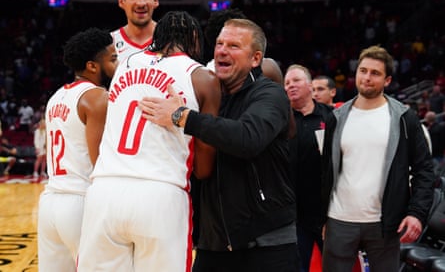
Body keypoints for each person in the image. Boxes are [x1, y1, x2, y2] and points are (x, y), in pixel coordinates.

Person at [140, 18, 299, 271]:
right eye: (219, 44)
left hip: (266, 241)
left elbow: (247, 138)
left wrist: (184, 117)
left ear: (255, 59)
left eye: (234, 46)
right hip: (214, 241)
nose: (222, 51)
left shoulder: (270, 94)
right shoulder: (206, 94)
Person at [77, 11, 221, 272]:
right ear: (194, 38)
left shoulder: (124, 65)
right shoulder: (201, 77)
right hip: (160, 192)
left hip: (104, 191)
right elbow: (203, 169)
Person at [321, 45, 435, 272]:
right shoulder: (337, 117)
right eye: (363, 71)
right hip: (339, 219)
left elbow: (424, 170)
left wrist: (416, 214)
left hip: (385, 223)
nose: (367, 77)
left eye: (375, 73)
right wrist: (321, 216)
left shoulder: (404, 118)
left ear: (387, 80)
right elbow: (326, 170)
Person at [38, 27, 117, 272]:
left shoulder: (57, 96)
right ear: (93, 66)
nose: (118, 63)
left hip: (50, 202)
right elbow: (99, 162)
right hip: (80, 202)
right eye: (113, 58)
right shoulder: (98, 97)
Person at [284, 65, 333, 272]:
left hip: (327, 212)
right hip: (293, 213)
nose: (291, 86)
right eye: (286, 83)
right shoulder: (281, 119)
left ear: (310, 86)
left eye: (296, 80)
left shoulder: (330, 118)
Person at [204, 8, 283, 84]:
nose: (224, 50)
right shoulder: (208, 76)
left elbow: (282, 96)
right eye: (220, 43)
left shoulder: (267, 67)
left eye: (234, 45)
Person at [111, 0, 159, 65]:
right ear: (121, 1)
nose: (141, 3)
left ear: (155, 1)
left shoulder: (173, 42)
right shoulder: (109, 44)